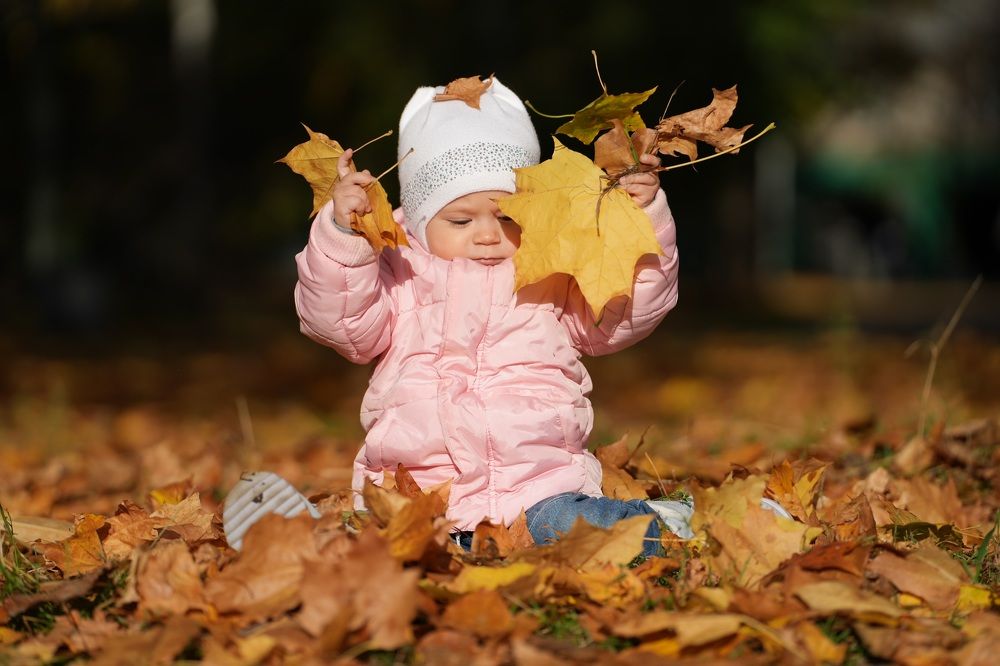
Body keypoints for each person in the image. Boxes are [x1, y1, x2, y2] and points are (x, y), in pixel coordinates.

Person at [223, 77, 789, 555]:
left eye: (506, 215)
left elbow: (625, 314)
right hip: (419, 497)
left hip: (537, 493)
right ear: (418, 220)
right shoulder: (398, 272)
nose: (489, 234)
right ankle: (295, 539)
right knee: (381, 546)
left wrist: (644, 223)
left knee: (583, 535)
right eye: (461, 221)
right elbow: (338, 323)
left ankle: (692, 525)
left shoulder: (550, 272)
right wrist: (342, 240)